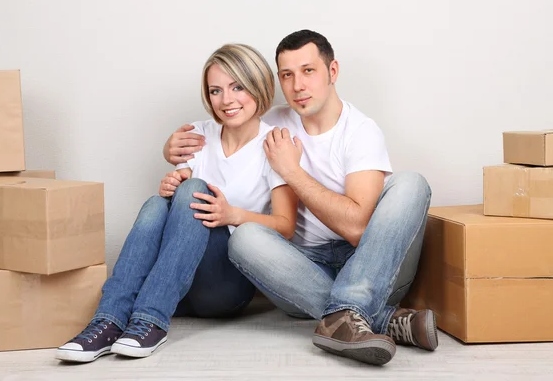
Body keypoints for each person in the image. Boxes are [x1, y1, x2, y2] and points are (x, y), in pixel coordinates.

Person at [163, 30, 436, 366]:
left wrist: (292, 171)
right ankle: (373, 319)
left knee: (411, 183)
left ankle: (351, 311)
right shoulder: (272, 120)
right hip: (301, 273)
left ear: (332, 72)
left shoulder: (361, 132)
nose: (297, 86)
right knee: (245, 237)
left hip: (372, 265)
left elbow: (356, 228)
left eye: (309, 71)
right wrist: (172, 147)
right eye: (287, 75)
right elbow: (219, 132)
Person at [56, 43, 298, 363]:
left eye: (237, 86)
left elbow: (286, 226)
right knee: (158, 204)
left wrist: (231, 215)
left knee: (194, 188)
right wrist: (172, 187)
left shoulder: (274, 144)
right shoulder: (196, 134)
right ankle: (108, 321)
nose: (226, 100)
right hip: (177, 289)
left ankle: (150, 320)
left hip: (225, 289)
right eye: (215, 90)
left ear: (258, 85)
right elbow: (176, 211)